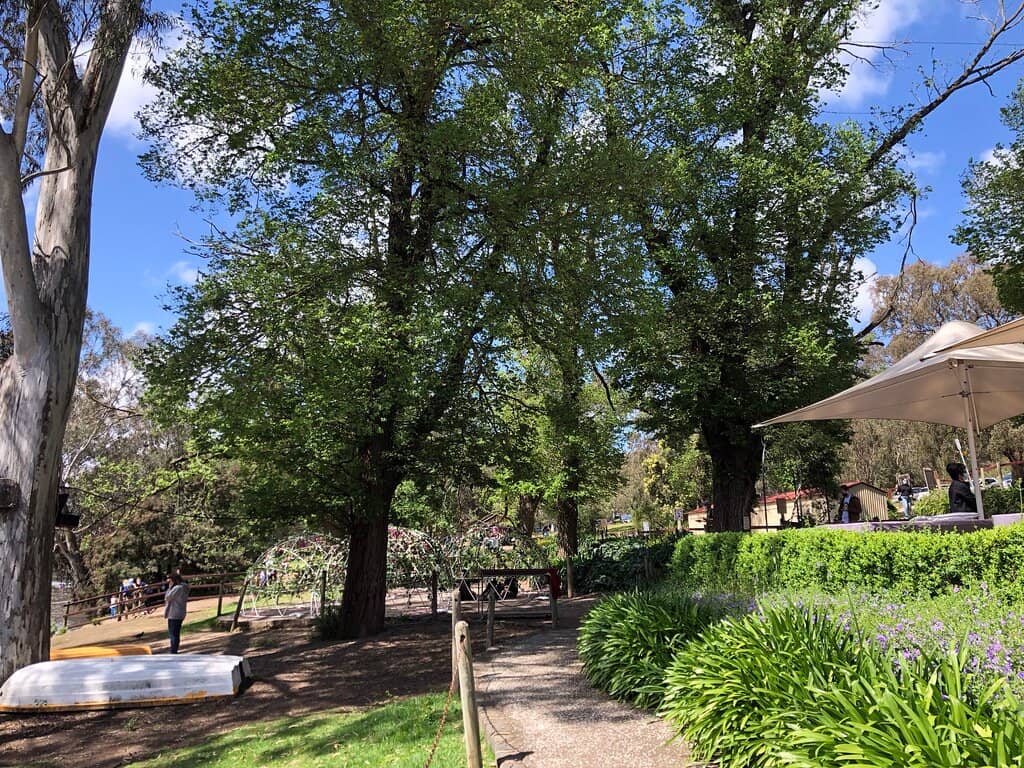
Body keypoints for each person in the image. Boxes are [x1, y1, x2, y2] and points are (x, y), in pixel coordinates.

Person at [163, 572, 190, 654]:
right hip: (176, 612)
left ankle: (174, 651)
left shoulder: (178, 588)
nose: (168, 581)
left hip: (175, 613)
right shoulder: (182, 587)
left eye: (169, 579)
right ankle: (173, 650)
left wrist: (170, 588)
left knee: (173, 634)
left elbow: (168, 597)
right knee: (174, 633)